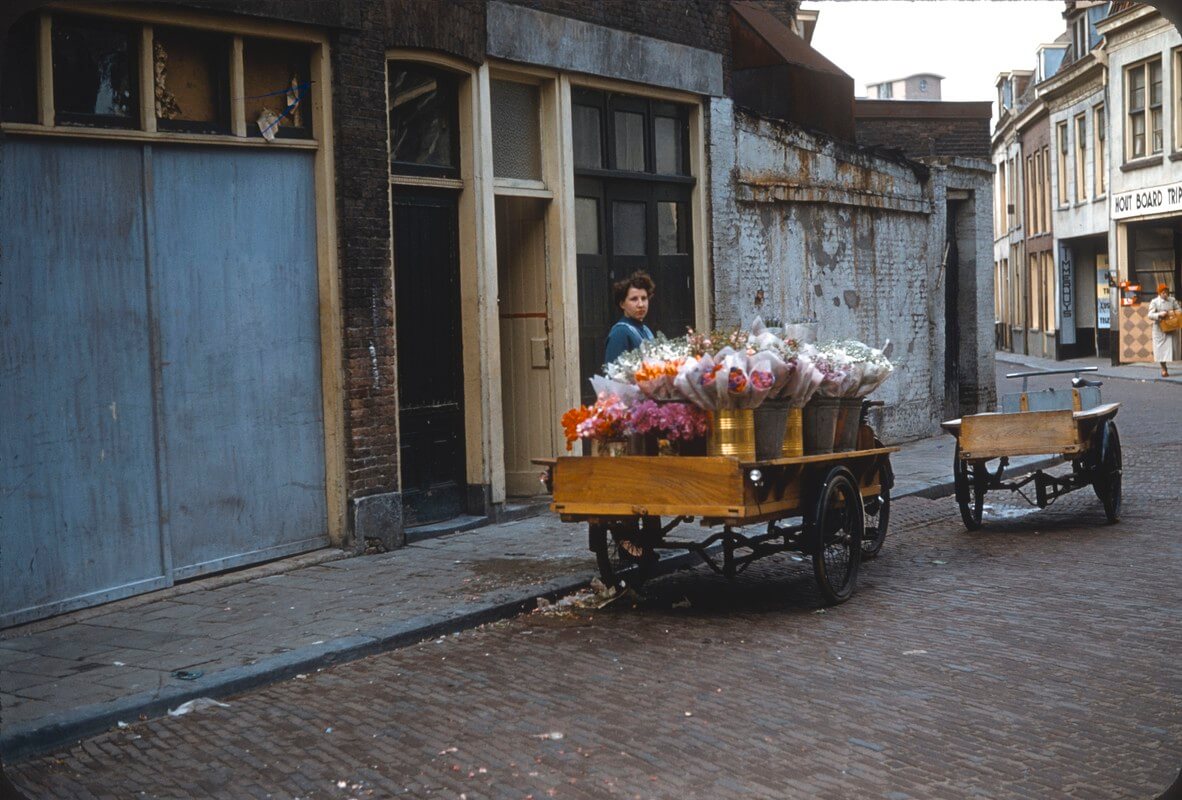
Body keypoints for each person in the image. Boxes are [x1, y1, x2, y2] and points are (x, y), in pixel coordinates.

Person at [604, 271, 656, 365]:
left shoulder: (646, 330)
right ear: (622, 304)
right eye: (634, 299)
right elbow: (612, 374)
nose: (640, 304)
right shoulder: (620, 332)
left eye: (644, 298)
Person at [1146, 283, 1181, 377]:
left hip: (1171, 327)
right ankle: (1164, 369)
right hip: (1159, 330)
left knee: (1172, 349)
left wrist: (1171, 313)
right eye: (1163, 292)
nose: (1165, 294)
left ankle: (1168, 366)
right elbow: (1149, 315)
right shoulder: (1155, 302)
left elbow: (1179, 310)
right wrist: (1159, 314)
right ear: (1159, 293)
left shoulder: (1172, 300)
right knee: (1160, 350)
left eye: (1167, 292)